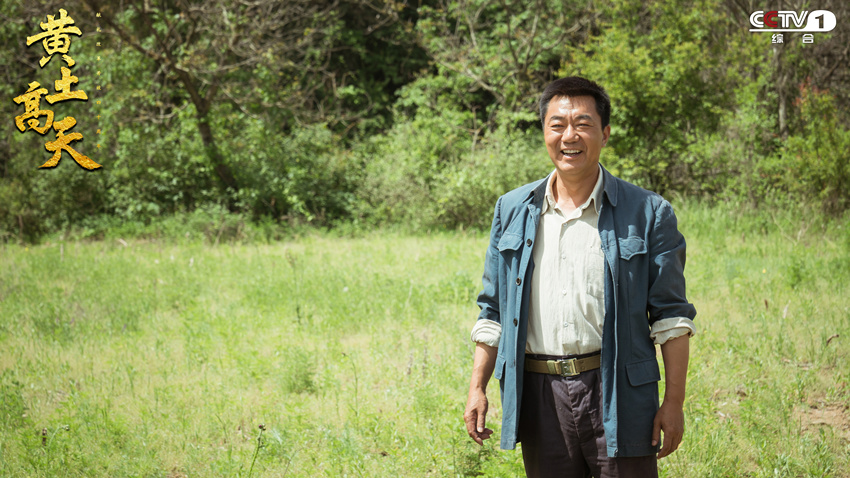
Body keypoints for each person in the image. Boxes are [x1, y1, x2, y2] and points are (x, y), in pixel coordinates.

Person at [463, 76, 697, 478]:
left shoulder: (648, 212)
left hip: (618, 392)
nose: (569, 136)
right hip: (540, 395)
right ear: (544, 132)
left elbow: (671, 318)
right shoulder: (513, 209)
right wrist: (477, 387)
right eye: (557, 125)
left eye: (583, 124)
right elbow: (493, 310)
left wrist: (673, 403)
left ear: (605, 134)